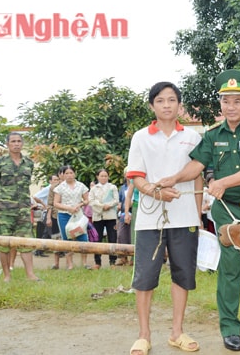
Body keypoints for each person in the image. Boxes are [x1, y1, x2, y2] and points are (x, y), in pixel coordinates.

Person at [157, 69, 240, 352]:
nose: (230, 107)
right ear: (219, 104)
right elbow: (197, 165)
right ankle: (230, 329)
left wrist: (221, 182)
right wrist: (174, 178)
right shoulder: (211, 134)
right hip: (227, 211)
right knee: (230, 269)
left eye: (236, 101)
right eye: (225, 101)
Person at [126, 81, 203, 355]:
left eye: (172, 100)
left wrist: (199, 214)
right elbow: (135, 176)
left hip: (185, 218)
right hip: (150, 220)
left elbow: (198, 174)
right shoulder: (140, 137)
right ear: (152, 106)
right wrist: (154, 193)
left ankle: (177, 332)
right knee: (145, 276)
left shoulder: (193, 138)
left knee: (183, 275)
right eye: (160, 100)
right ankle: (144, 335)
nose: (167, 105)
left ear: (180, 106)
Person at [0, 132, 40, 282]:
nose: (16, 144)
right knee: (3, 244)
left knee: (26, 242)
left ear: (22, 144)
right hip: (4, 210)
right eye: (13, 141)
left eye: (19, 141)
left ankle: (30, 275)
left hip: (23, 209)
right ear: (8, 144)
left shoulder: (29, 163)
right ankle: (7, 276)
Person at [53, 165, 90, 270]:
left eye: (71, 173)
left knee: (82, 237)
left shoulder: (81, 185)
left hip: (78, 215)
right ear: (63, 175)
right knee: (67, 238)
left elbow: (87, 200)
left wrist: (80, 205)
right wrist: (68, 208)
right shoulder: (59, 188)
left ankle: (85, 263)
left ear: (75, 173)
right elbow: (56, 203)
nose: (69, 175)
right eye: (66, 173)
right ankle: (70, 264)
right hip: (64, 215)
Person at [89, 168, 119, 268]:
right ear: (97, 177)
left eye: (105, 176)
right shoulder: (94, 189)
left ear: (108, 177)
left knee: (112, 238)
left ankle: (112, 262)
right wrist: (102, 206)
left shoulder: (112, 187)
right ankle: (97, 262)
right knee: (97, 238)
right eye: (101, 176)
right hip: (98, 216)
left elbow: (116, 200)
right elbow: (91, 201)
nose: (103, 178)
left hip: (110, 215)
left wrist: (108, 205)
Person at [32, 175, 59, 257]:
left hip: (52, 212)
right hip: (47, 212)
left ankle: (40, 250)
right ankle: (38, 250)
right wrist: (44, 205)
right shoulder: (48, 189)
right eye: (54, 180)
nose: (56, 181)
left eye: (57, 179)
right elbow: (35, 196)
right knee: (46, 232)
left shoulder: (56, 188)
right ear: (50, 181)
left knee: (47, 232)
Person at [47, 167, 64, 269]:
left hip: (68, 216)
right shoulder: (53, 188)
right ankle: (56, 263)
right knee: (55, 239)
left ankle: (69, 264)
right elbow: (49, 204)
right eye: (62, 173)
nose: (64, 175)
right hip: (55, 215)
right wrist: (48, 217)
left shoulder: (74, 186)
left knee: (68, 239)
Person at [115, 169, 132, 266]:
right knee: (121, 235)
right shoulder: (122, 188)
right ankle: (122, 257)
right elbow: (121, 200)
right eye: (127, 173)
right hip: (123, 213)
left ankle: (134, 258)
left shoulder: (138, 186)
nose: (128, 175)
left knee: (133, 235)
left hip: (134, 212)